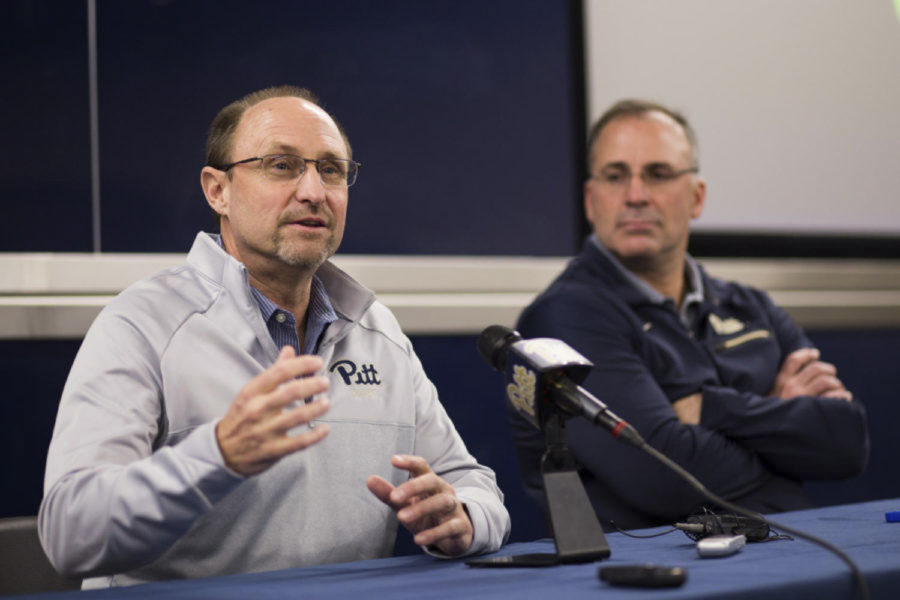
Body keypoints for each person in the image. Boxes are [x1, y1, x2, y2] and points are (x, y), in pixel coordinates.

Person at [39, 85, 510, 587]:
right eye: (281, 165)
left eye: (331, 169)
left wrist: (462, 517)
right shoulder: (144, 324)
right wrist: (216, 456)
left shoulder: (376, 331)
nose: (313, 191)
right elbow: (70, 533)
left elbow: (475, 485)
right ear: (217, 190)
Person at [510, 99, 869, 531]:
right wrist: (778, 424)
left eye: (658, 174)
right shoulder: (563, 318)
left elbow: (846, 443)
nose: (636, 195)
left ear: (697, 197)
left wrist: (710, 409)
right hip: (640, 581)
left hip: (781, 557)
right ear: (591, 200)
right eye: (615, 176)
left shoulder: (751, 307)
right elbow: (660, 474)